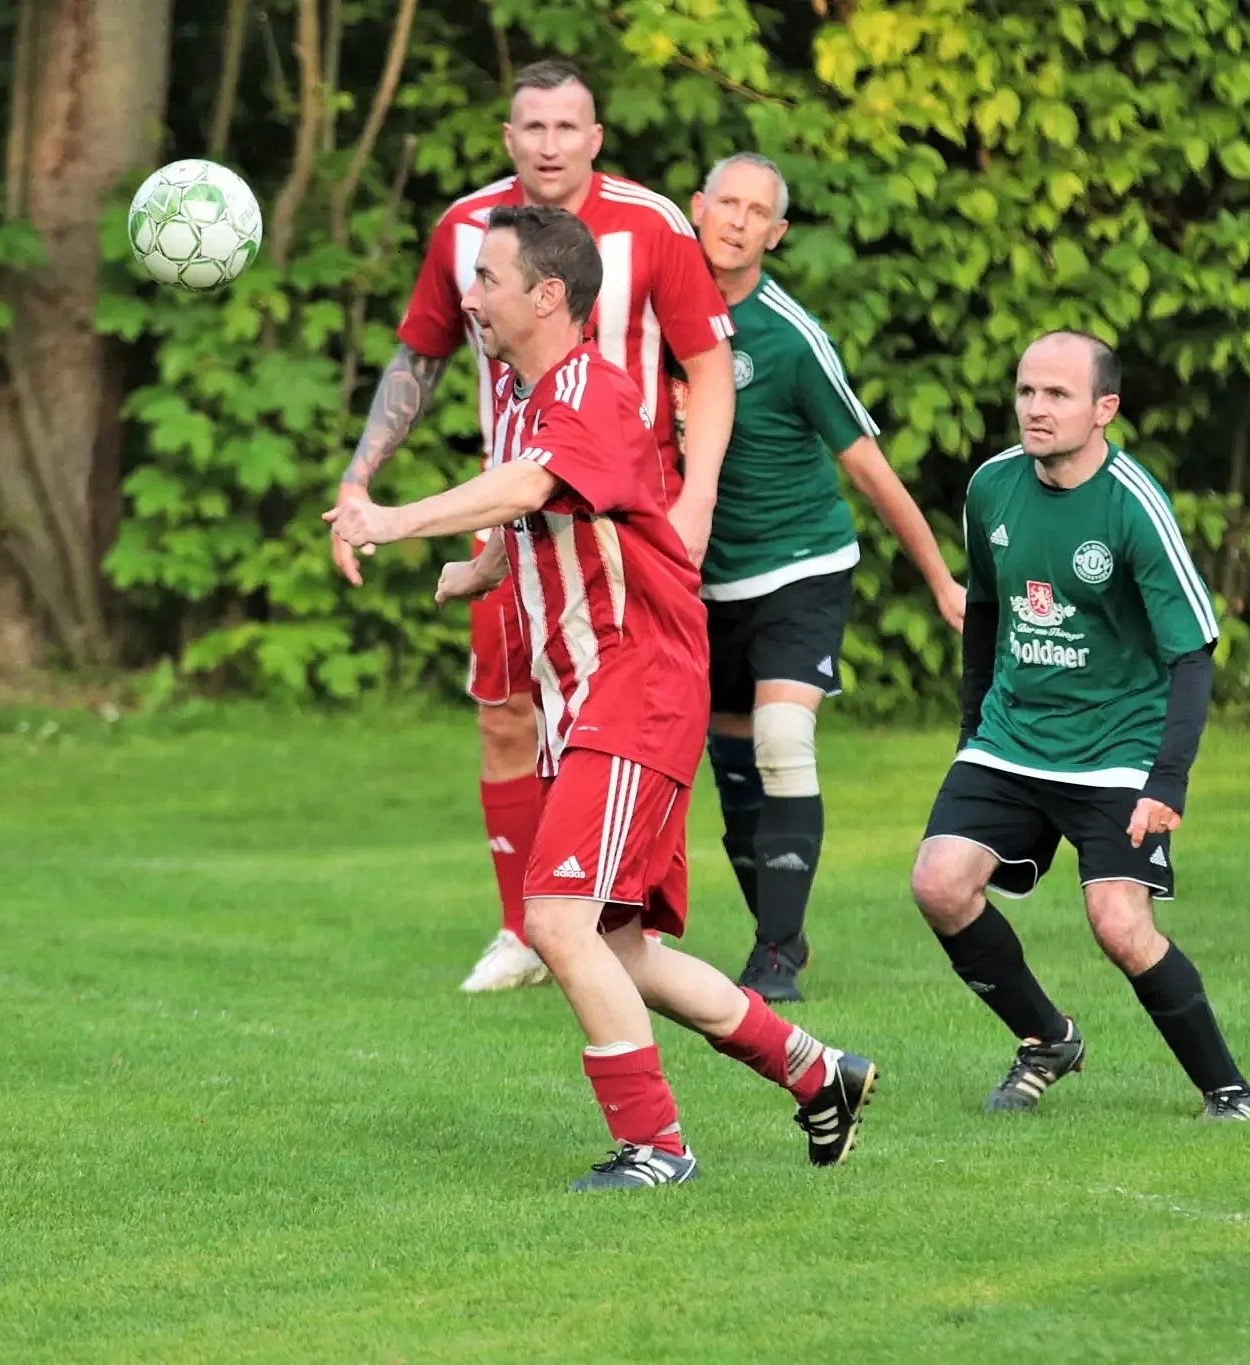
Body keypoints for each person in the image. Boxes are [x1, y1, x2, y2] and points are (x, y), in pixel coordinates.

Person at [326, 205, 875, 1190]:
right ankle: (816, 1070)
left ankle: (656, 1146)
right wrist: (482, 567)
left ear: (546, 296)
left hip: (636, 685)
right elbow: (545, 506)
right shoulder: (530, 397)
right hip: (589, 698)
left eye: (487, 279)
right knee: (620, 949)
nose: (470, 297)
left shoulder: (590, 389)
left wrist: (390, 519)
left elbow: (532, 488)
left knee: (554, 923)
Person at [330, 59, 738, 995]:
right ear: (508, 138)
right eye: (533, 127)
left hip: (628, 522)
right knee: (509, 712)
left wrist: (699, 497)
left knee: (631, 704)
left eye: (567, 127)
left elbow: (710, 367)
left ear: (595, 138)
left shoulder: (652, 225)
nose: (550, 145)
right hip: (514, 513)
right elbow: (420, 355)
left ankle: (611, 915)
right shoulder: (467, 230)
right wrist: (360, 478)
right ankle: (527, 925)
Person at [908, 330, 1250, 1122]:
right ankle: (1047, 1039)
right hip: (1012, 734)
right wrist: (971, 731)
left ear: (1105, 408)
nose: (1035, 408)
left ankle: (1228, 1089)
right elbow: (985, 614)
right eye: (1026, 391)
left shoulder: (1132, 503)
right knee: (938, 882)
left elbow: (1192, 651)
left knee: (1119, 924)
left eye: (1057, 395)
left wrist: (1167, 780)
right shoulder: (991, 486)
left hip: (1117, 746)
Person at [684, 152, 967, 1002]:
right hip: (704, 579)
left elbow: (870, 470)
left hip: (800, 565)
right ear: (697, 208)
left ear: (776, 234)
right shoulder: (659, 314)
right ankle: (783, 929)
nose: (737, 221)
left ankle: (774, 958)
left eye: (756, 212)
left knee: (781, 739)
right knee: (733, 765)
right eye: (726, 203)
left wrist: (942, 582)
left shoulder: (791, 336)